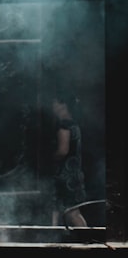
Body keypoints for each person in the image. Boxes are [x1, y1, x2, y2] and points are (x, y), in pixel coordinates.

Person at [51, 93, 87, 228]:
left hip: (66, 177)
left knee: (71, 212)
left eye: (54, 103)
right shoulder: (74, 124)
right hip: (74, 174)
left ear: (62, 105)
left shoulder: (64, 126)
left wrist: (50, 159)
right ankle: (55, 238)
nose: (52, 107)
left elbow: (62, 151)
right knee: (65, 211)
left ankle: (87, 240)